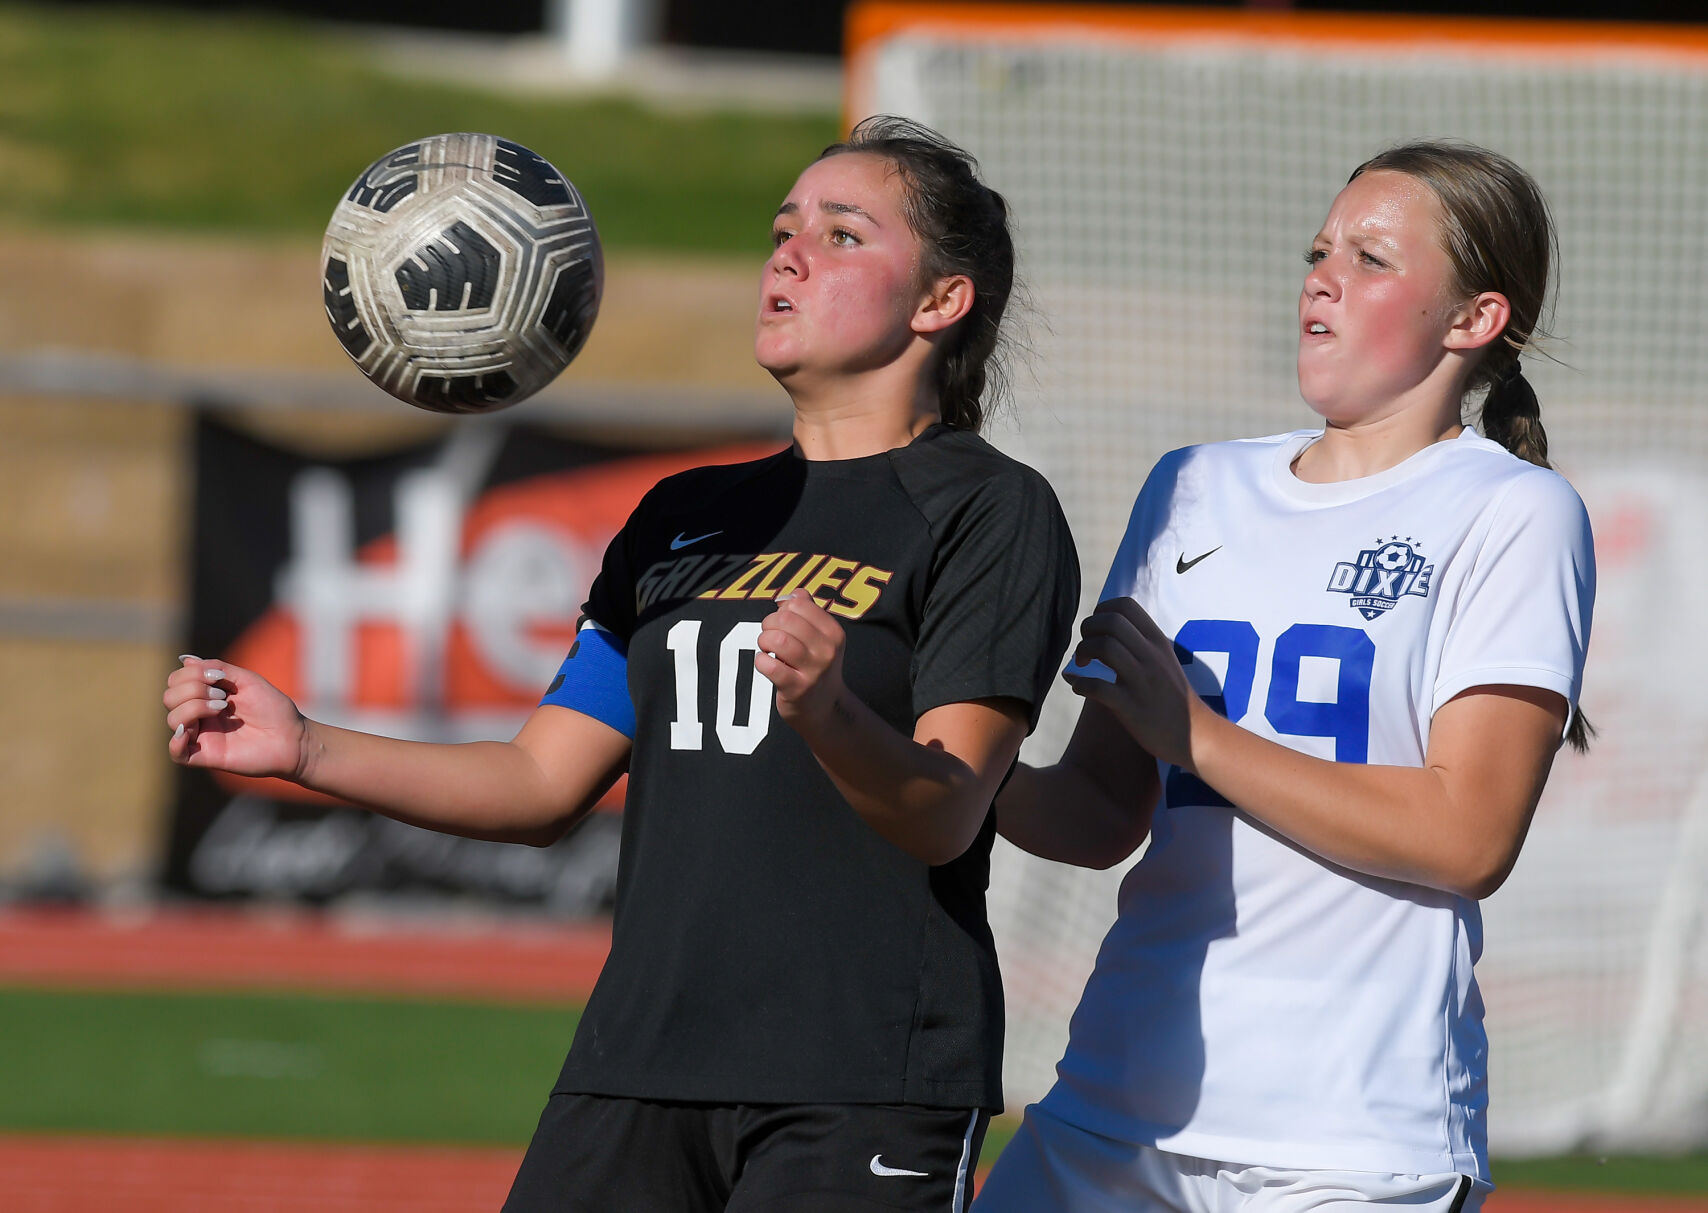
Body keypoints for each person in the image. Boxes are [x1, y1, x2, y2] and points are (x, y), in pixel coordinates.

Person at [164, 116, 1078, 1212]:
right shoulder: (682, 516)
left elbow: (945, 809)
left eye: (840, 236)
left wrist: (831, 709)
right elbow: (540, 783)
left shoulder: (986, 509)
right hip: (638, 1065)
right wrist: (304, 746)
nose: (786, 254)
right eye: (781, 228)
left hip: (863, 1079)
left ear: (940, 302)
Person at [976, 142, 1595, 1212]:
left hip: (1349, 1147)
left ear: (1472, 320)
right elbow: (1093, 811)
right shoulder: (1196, 484)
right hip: (1116, 1105)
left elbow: (1468, 834)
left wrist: (1200, 738)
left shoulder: (1514, 511)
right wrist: (889, 741)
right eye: (1319, 250)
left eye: (1369, 257)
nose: (1321, 275)